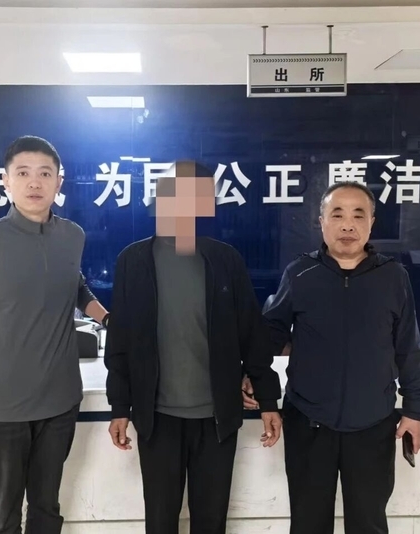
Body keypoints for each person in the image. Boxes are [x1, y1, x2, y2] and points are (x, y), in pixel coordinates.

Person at [104, 160, 282, 534]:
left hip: (216, 418)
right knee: (160, 522)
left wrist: (268, 399)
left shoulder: (224, 260)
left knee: (211, 523)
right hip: (157, 419)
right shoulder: (133, 261)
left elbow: (251, 334)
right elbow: (120, 342)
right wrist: (120, 406)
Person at [0, 136, 109, 534]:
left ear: (58, 182)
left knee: (47, 510)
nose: (34, 182)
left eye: (44, 174)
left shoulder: (72, 235)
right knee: (4, 516)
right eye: (23, 173)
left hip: (60, 399)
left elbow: (77, 287)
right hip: (2, 406)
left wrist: (107, 318)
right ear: (5, 181)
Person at [262, 181, 420, 534]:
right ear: (321, 221)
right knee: (307, 524)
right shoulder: (300, 273)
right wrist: (256, 383)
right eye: (337, 215)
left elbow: (407, 346)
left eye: (358, 215)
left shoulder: (393, 276)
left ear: (371, 222)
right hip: (308, 421)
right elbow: (270, 335)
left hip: (373, 423)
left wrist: (415, 409)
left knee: (369, 523)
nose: (348, 225)